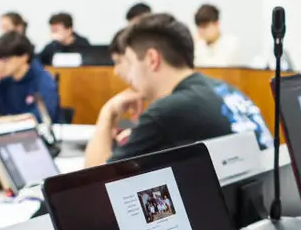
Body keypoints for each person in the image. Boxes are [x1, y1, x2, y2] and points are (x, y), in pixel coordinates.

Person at [85, 13, 271, 167]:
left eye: (131, 63)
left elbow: (93, 181)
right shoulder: (223, 89)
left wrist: (107, 113)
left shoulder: (167, 110)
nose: (129, 75)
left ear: (152, 59)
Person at [0, 31, 60, 124]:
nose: (0, 65)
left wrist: (9, 120)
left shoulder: (43, 79)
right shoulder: (3, 81)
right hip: (9, 135)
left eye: (5, 60)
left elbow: (44, 116)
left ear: (24, 57)